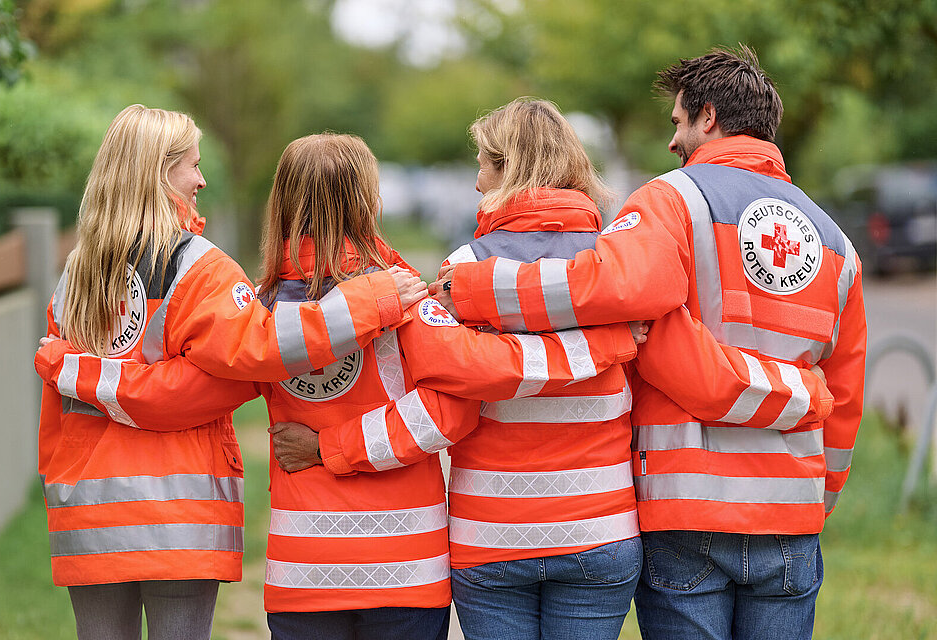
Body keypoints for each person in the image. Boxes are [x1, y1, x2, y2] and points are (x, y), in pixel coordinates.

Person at [271, 98, 834, 640]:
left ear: (508, 170)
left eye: (483, 167)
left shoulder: (463, 269)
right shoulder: (617, 264)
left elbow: (454, 387)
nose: (475, 184)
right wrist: (606, 345)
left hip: (492, 533)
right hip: (600, 525)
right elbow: (676, 368)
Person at [36, 132, 636, 640]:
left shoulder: (261, 308)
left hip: (303, 568)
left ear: (281, 202)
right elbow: (448, 416)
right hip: (407, 563)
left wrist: (82, 371)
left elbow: (199, 386)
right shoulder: (404, 297)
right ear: (368, 199)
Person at [431, 48, 866, 640]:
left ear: (708, 117)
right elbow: (844, 392)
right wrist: (819, 491)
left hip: (687, 508)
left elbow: (630, 306)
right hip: (792, 515)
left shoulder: (671, 200)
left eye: (678, 121)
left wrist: (476, 288)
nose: (672, 141)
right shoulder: (836, 240)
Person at [37, 106, 425, 640]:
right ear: (158, 172)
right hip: (180, 508)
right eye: (191, 166)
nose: (201, 179)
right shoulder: (200, 266)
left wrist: (75, 372)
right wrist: (372, 299)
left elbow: (66, 405)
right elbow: (254, 354)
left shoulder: (76, 272)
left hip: (86, 508)